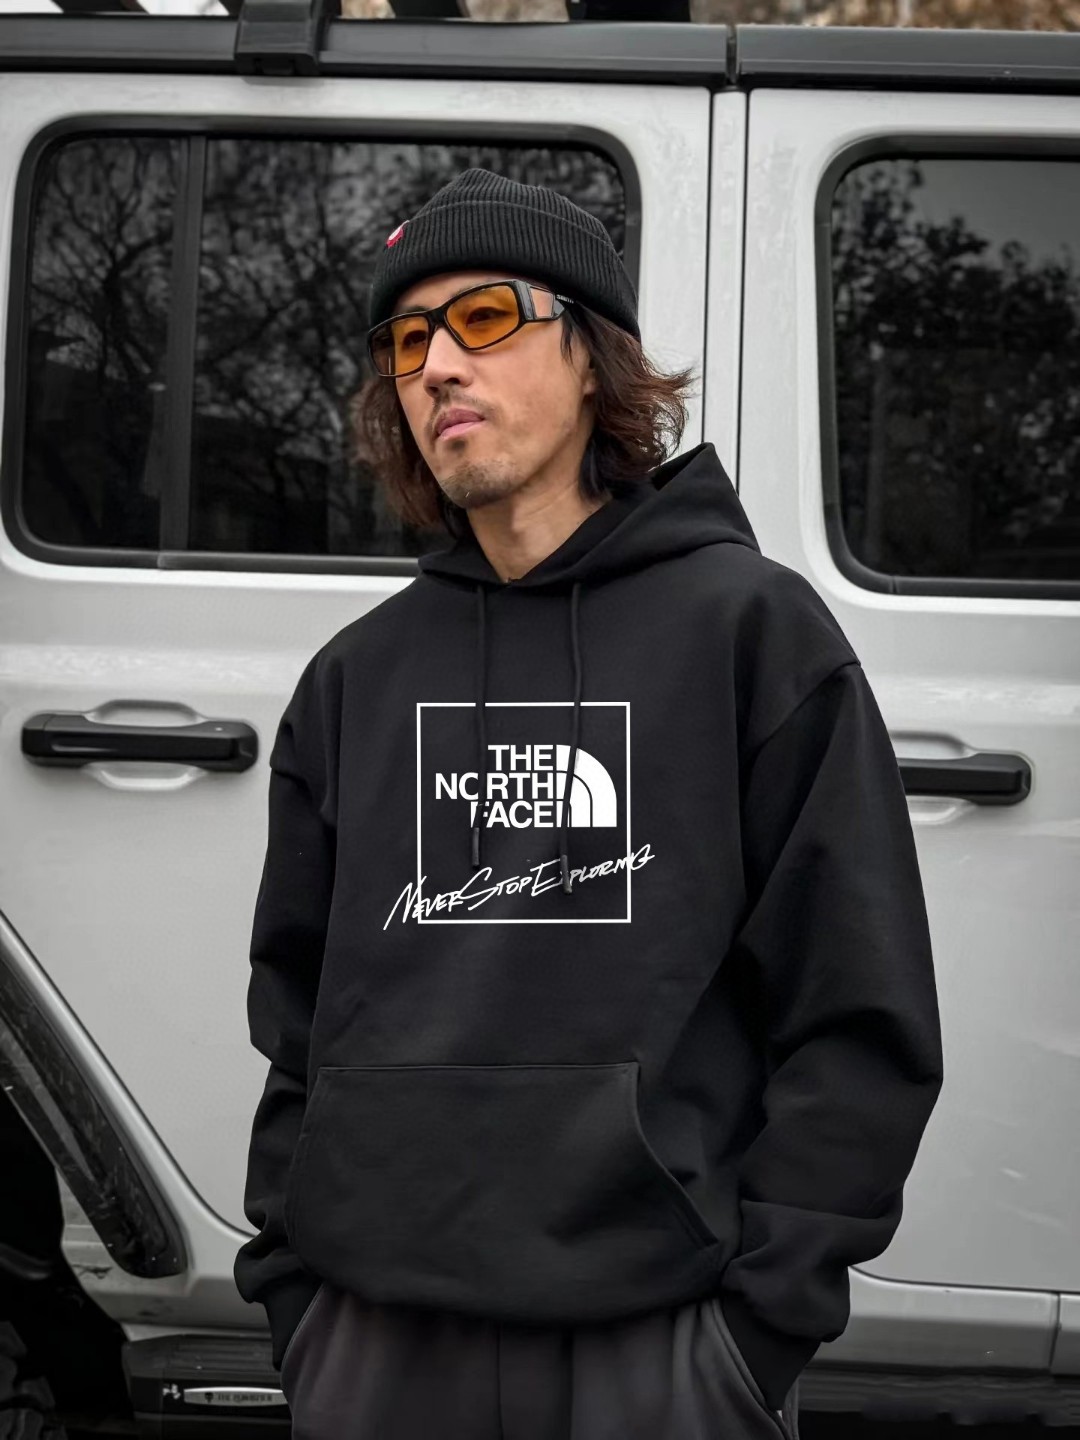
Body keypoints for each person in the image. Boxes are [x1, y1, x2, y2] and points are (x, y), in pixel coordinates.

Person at [233, 167, 944, 1440]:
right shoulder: (355, 679)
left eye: (485, 318)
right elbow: (295, 1020)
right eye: (407, 340)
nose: (438, 366)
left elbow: (857, 1011)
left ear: (590, 354)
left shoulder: (750, 633)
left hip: (660, 1350)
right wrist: (298, 1300)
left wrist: (757, 1332)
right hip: (376, 1348)